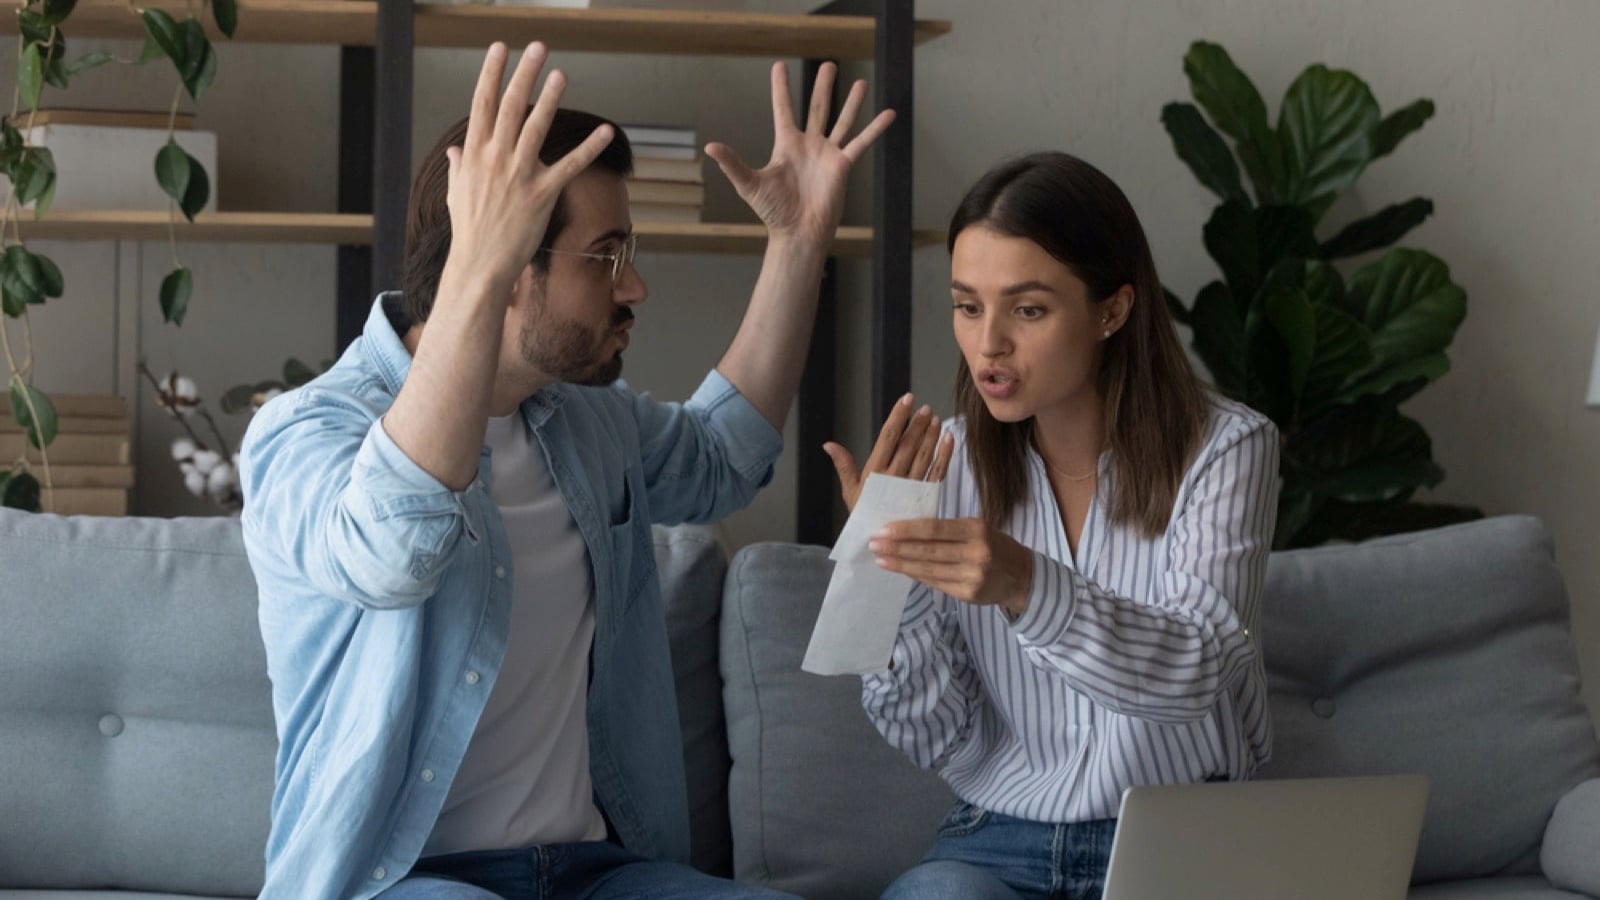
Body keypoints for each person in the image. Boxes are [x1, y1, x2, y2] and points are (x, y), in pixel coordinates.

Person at [239, 41, 892, 900]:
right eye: (607, 256)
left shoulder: (584, 419)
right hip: (398, 882)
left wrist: (800, 241)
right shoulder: (306, 431)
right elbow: (390, 555)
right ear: (508, 267)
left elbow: (722, 457)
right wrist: (478, 264)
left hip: (595, 872)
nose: (635, 289)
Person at [823, 152, 1281, 900]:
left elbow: (1198, 668)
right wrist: (884, 574)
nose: (988, 345)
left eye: (1027, 309)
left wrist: (1026, 584)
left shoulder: (1229, 448)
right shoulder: (944, 468)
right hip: (995, 840)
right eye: (968, 306)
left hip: (1181, 839)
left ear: (1113, 310)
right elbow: (935, 735)